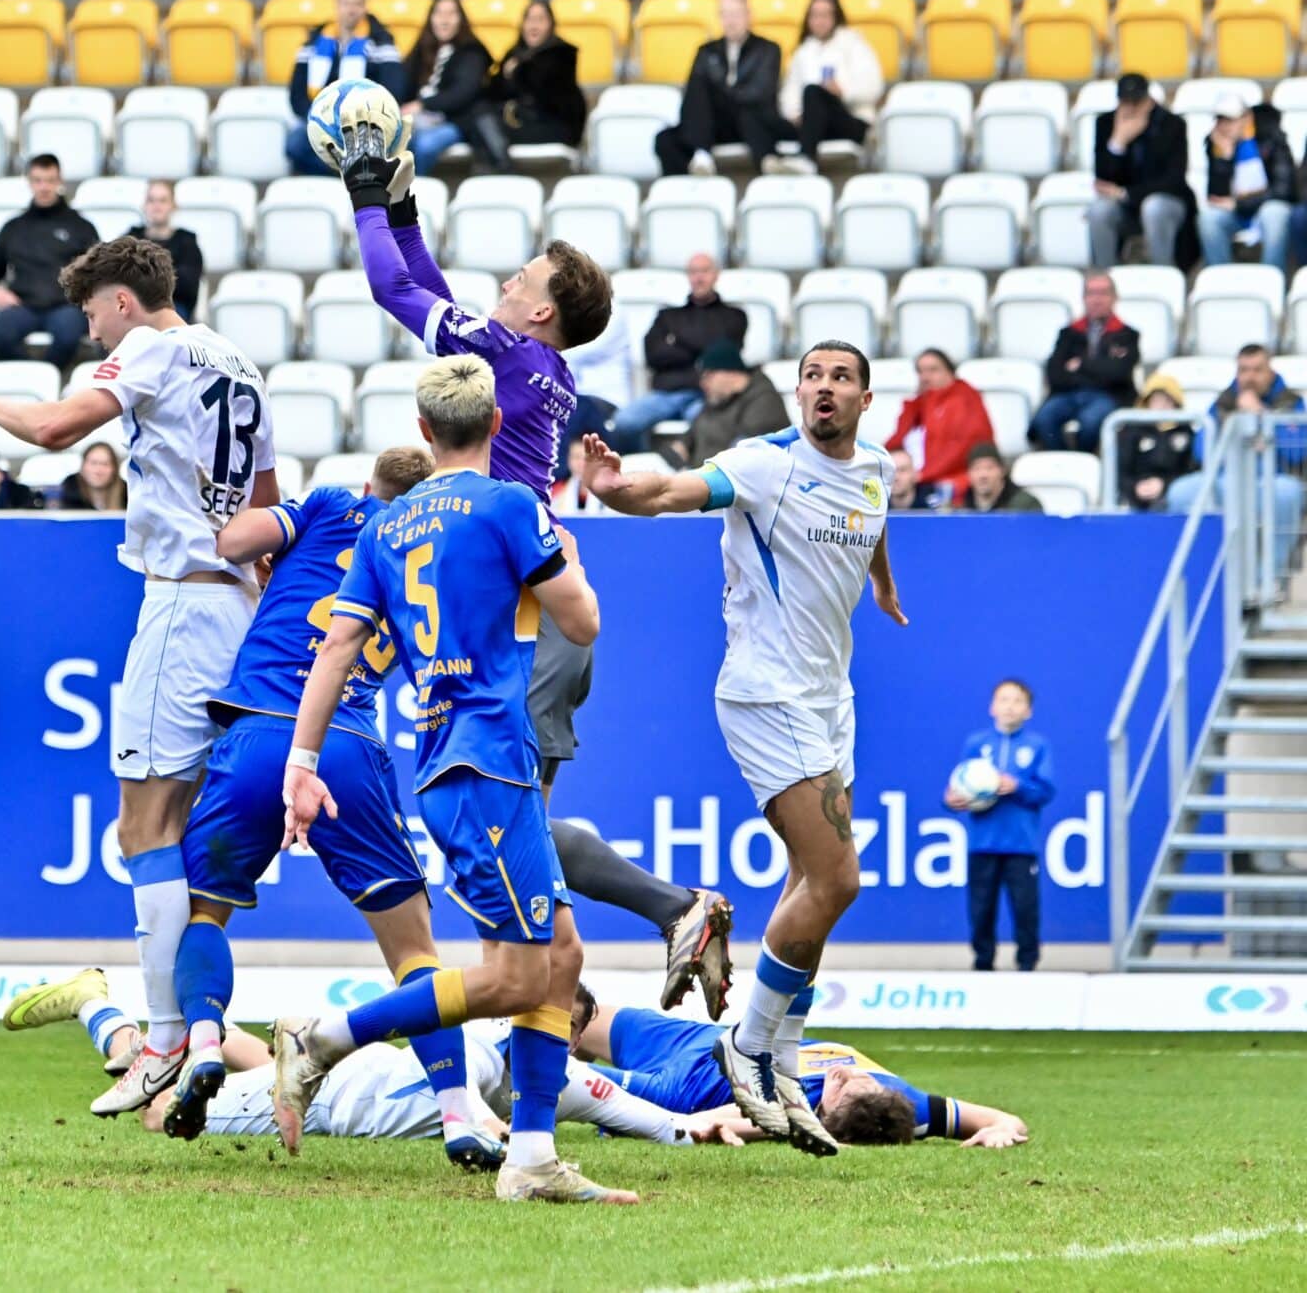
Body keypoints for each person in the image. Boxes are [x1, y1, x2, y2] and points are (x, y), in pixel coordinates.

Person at [342, 129, 728, 1015]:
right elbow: (436, 297)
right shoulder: (531, 367)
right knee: (523, 875)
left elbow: (396, 289)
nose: (508, 283)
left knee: (507, 832)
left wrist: (366, 199)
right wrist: (403, 210)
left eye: (523, 279)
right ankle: (557, 1037)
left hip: (533, 617)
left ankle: (673, 911)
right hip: (538, 602)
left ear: (545, 311)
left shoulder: (510, 357)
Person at [270, 357, 631, 1205]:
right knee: (518, 977)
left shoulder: (385, 527)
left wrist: (301, 762)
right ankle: (324, 1039)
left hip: (457, 760)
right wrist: (567, 563)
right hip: (485, 762)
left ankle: (532, 1155)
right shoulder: (510, 506)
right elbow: (583, 621)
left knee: (562, 954)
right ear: (496, 424)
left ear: (424, 431)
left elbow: (338, 646)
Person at [0, 236, 277, 1117]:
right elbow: (268, 506)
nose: (92, 334)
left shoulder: (153, 348)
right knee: (188, 837)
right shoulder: (239, 363)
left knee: (142, 825)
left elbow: (56, 429)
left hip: (182, 603)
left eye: (94, 315)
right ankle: (195, 1030)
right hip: (239, 608)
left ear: (124, 302)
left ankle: (160, 1040)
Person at [579, 339, 909, 1158]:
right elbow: (671, 491)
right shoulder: (765, 465)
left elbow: (870, 525)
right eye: (812, 376)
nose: (824, 388)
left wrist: (883, 583)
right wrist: (616, 488)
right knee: (838, 878)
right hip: (767, 691)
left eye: (840, 378)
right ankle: (751, 1045)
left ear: (865, 399)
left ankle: (785, 1062)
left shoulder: (875, 468)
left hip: (830, 697)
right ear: (797, 391)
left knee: (808, 881)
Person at [154, 447, 519, 1167]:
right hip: (346, 745)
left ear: (367, 484)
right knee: (414, 954)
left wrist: (271, 552)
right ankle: (457, 1115)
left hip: (259, 732)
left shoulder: (327, 505)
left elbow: (232, 541)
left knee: (204, 912)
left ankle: (204, 1041)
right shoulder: (430, 551)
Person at [9, 972, 736, 1148]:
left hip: (335, 1076)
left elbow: (642, 1113)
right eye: (542, 1018)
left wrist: (702, 1126)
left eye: (563, 1030)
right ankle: (97, 1007)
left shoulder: (561, 1078)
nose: (552, 1035)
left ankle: (205, 1031)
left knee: (251, 1061)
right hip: (328, 1097)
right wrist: (489, 1125)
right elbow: (468, 1080)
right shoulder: (483, 1049)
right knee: (158, 1113)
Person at [579, 1003, 1029, 1148]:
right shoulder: (909, 1104)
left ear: (825, 1117)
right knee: (572, 1011)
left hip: (681, 1089)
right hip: (706, 1038)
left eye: (839, 1087)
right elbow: (1003, 1120)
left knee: (559, 1076)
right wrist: (1002, 1129)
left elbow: (711, 1121)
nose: (843, 1072)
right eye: (861, 1078)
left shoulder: (794, 1116)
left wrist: (685, 1127)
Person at [1166, 346, 1305, 584]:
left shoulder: (1290, 402)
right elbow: (1202, 451)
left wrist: (1263, 417)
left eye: (1257, 370)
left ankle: (1271, 579)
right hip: (1226, 479)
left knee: (1287, 492)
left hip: (1269, 481)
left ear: (1270, 371)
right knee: (1180, 492)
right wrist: (1232, 428)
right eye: (1244, 370)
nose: (1250, 377)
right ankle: (1195, 575)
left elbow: (1297, 453)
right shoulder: (1223, 402)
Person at [946, 680, 1054, 974]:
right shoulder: (977, 743)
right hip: (983, 843)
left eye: (1017, 701)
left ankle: (1027, 963)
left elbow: (1045, 791)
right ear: (992, 707)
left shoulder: (1037, 746)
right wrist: (952, 799)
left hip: (1021, 844)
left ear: (1028, 711)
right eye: (1003, 700)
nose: (1010, 707)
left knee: (1025, 908)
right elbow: (958, 784)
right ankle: (983, 963)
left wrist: (1016, 786)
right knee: (981, 908)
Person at [0, 153, 99, 370]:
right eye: (38, 180)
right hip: (24, 306)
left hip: (66, 306)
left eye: (50, 180)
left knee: (68, 335)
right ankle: (36, 376)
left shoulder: (81, 226)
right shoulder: (14, 227)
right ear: (29, 182)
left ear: (59, 181)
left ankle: (48, 378)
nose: (44, 187)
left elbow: (99, 271)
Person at [654, 0, 792, 177]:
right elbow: (693, 97)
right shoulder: (706, 51)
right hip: (714, 124)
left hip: (754, 121)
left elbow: (760, 93)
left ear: (749, 15)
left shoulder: (768, 49)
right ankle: (697, 163)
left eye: (735, 14)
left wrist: (721, 93)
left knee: (746, 113)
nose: (730, 21)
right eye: (725, 14)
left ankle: (760, 160)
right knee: (665, 139)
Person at [617, 253, 749, 452]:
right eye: (693, 272)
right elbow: (652, 355)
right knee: (623, 422)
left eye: (704, 271)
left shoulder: (734, 316)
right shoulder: (668, 315)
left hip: (707, 396)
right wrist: (701, 351)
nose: (699, 277)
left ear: (716, 275)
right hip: (666, 394)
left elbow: (722, 353)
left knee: (711, 429)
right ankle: (642, 464)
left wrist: (676, 340)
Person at [284, 0, 405, 177]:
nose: (351, 9)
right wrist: (318, 120)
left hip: (365, 123)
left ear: (365, 8)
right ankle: (343, 177)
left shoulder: (381, 42)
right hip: (320, 119)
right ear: (337, 6)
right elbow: (297, 93)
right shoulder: (313, 43)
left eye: (357, 4)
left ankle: (350, 178)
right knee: (295, 145)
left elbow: (393, 90)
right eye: (346, 3)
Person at [1088, 73, 1195, 271]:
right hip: (1124, 208)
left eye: (1136, 102)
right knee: (1099, 210)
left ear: (1148, 100)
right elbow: (1102, 179)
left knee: (1153, 207)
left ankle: (1163, 274)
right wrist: (1118, 142)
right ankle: (1105, 276)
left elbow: (1174, 179)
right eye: (1125, 102)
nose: (1130, 108)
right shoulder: (1106, 123)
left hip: (1166, 203)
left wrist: (1126, 193)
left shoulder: (1172, 125)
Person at [770, 0, 882, 175]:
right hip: (813, 124)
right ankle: (769, 162)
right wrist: (795, 114)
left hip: (850, 120)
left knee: (813, 91)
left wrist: (843, 92)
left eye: (825, 15)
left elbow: (873, 87)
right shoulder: (802, 52)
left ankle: (806, 159)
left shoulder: (855, 44)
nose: (819, 21)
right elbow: (789, 92)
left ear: (836, 17)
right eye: (814, 15)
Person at [1029, 271, 1139, 452]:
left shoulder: (1128, 335)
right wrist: (1101, 368)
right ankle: (1064, 460)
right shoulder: (1068, 333)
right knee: (1044, 419)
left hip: (1108, 397)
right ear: (1084, 298)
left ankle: (1083, 460)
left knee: (1091, 422)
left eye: (1103, 293)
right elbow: (1055, 374)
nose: (1097, 300)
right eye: (1091, 293)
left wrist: (1081, 365)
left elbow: (1119, 374)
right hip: (1068, 394)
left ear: (1114, 298)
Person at [400, 0, 509, 174]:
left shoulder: (472, 51)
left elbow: (462, 93)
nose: (444, 20)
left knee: (424, 144)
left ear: (461, 19)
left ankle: (414, 189)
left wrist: (423, 105)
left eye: (451, 14)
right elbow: (403, 82)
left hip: (455, 121)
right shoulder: (422, 48)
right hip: (416, 118)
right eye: (439, 13)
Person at [885, 349, 995, 508]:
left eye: (933, 370)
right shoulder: (923, 402)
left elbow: (962, 449)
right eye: (920, 371)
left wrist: (923, 475)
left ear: (950, 372)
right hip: (918, 479)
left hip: (950, 480)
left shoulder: (965, 399)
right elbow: (897, 439)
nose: (925, 377)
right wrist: (916, 400)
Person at [1198, 95, 1295, 270]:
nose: (1224, 126)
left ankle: (1272, 276)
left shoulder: (1272, 138)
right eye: (1220, 120)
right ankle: (1219, 276)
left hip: (1264, 209)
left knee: (1274, 213)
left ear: (1247, 117)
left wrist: (1239, 204)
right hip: (1237, 215)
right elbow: (1216, 198)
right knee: (1209, 218)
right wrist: (1224, 159)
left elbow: (1283, 190)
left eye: (1230, 120)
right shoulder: (1217, 144)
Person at [488, 0, 586, 149]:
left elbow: (545, 93)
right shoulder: (514, 53)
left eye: (540, 19)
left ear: (551, 24)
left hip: (554, 125)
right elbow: (494, 91)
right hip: (520, 122)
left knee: (490, 132)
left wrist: (517, 72)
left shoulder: (563, 53)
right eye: (529, 19)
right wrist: (507, 76)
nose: (534, 26)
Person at [677, 340, 788, 469]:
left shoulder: (765, 400)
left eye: (708, 375)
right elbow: (689, 437)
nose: (703, 383)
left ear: (730, 372)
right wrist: (680, 448)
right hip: (702, 475)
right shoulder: (717, 400)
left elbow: (743, 456)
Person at [1115, 374, 1199, 511]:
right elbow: (1119, 470)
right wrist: (1135, 487)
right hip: (1133, 499)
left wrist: (1165, 485)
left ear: (1176, 404)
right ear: (1146, 403)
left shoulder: (1186, 432)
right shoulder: (1131, 431)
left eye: (1168, 401)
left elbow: (1191, 472)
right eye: (1156, 400)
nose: (1161, 407)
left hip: (1173, 499)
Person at [126, 180, 203, 322]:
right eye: (151, 200)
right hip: (134, 305)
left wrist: (143, 277)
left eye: (163, 201)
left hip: (173, 307)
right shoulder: (130, 239)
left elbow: (187, 285)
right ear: (144, 205)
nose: (157, 206)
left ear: (173, 206)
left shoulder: (187, 243)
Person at [962, 443, 1042, 513]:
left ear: (1003, 470)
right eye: (977, 468)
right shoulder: (961, 507)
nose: (983, 475)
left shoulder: (1025, 506)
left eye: (990, 468)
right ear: (969, 473)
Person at [55, 439, 126, 511]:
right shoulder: (67, 494)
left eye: (105, 464)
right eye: (93, 463)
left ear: (115, 469)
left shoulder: (127, 495)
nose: (98, 470)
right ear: (83, 467)